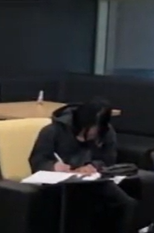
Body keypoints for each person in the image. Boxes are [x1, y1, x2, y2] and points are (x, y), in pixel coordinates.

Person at [28, 99, 136, 233]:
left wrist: (93, 166)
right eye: (92, 127)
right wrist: (53, 166)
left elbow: (108, 159)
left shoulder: (106, 133)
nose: (94, 132)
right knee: (79, 208)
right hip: (60, 184)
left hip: (93, 182)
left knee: (124, 203)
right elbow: (38, 160)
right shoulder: (53, 131)